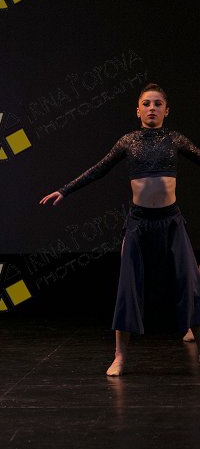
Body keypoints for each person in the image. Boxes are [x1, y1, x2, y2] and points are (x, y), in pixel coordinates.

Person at [39, 83, 200, 376]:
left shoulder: (175, 139)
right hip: (139, 223)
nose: (152, 108)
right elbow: (99, 168)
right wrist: (65, 189)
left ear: (167, 110)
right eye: (146, 104)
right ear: (138, 110)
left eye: (158, 104)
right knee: (128, 286)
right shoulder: (128, 141)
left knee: (189, 281)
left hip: (171, 222)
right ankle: (120, 356)